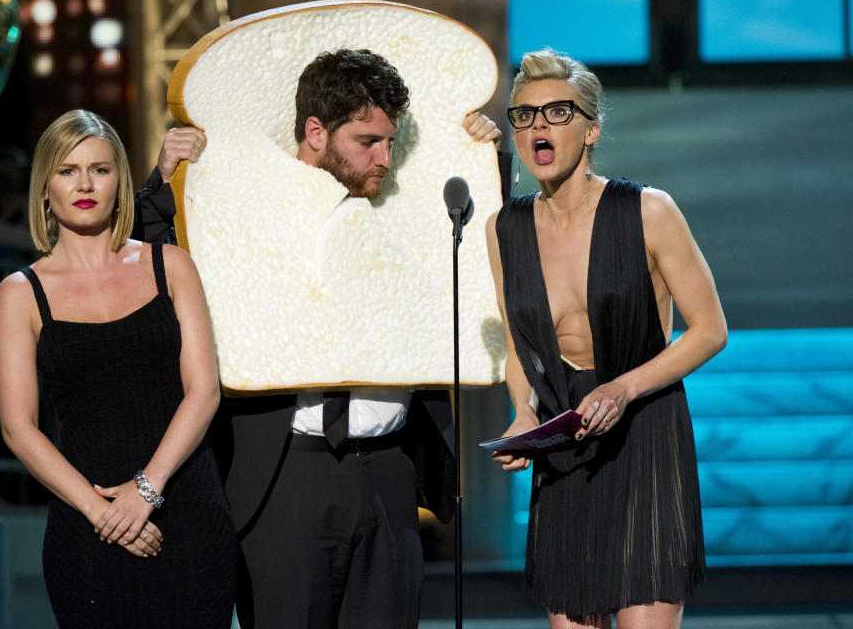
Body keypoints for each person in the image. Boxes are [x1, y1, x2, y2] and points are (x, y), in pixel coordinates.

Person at [136, 49, 502, 628]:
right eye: (367, 141)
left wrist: (482, 158)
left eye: (391, 140)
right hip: (284, 471)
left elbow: (479, 263)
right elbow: (161, 274)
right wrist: (163, 182)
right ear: (315, 132)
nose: (386, 157)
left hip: (388, 469)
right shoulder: (247, 213)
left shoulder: (403, 214)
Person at [485, 48, 727, 629]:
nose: (538, 125)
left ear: (592, 130)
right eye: (525, 115)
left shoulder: (648, 210)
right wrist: (522, 412)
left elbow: (710, 329)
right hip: (566, 443)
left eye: (558, 113)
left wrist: (624, 389)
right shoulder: (505, 228)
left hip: (645, 428)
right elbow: (521, 342)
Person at [0, 109, 237, 628]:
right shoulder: (19, 293)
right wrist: (105, 513)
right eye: (68, 170)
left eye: (100, 169)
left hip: (187, 514)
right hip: (89, 528)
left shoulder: (168, 264)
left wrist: (146, 490)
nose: (85, 183)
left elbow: (203, 391)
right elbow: (17, 428)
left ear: (120, 181)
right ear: (44, 188)